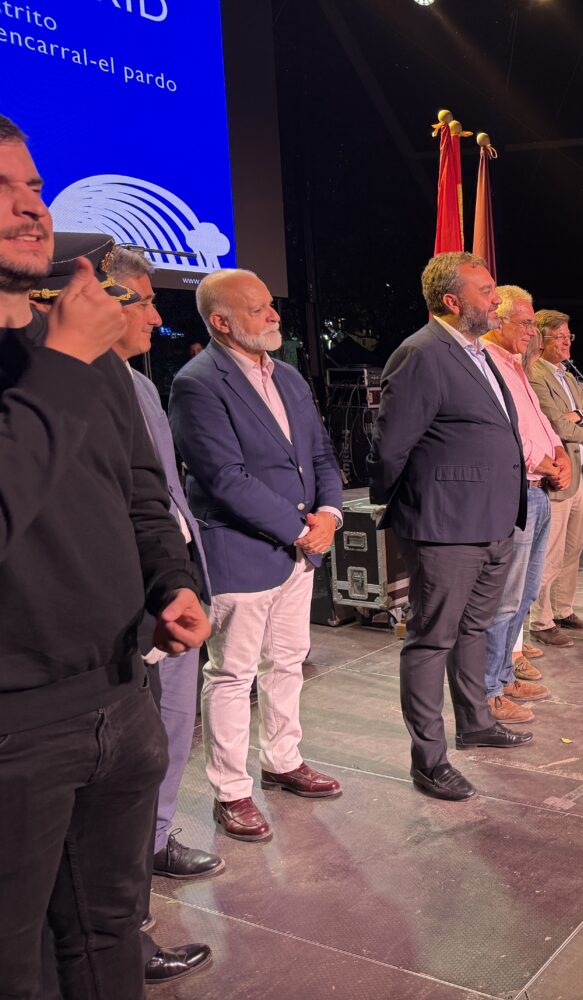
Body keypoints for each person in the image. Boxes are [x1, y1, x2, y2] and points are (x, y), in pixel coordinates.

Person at [0, 117, 210, 998]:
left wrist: (173, 582)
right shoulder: (68, 357)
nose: (32, 209)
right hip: (15, 728)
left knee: (109, 934)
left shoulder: (89, 362)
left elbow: (141, 496)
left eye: (34, 188)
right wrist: (61, 361)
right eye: (2, 191)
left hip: (121, 702)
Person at [170, 268, 345, 841]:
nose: (273, 316)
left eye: (271, 305)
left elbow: (320, 454)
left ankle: (282, 760)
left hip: (299, 549)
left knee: (289, 660)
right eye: (258, 309)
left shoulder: (288, 376)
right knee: (232, 674)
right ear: (221, 322)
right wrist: (300, 530)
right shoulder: (198, 382)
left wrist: (331, 514)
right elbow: (224, 477)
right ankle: (231, 791)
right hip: (241, 551)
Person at [368, 251, 534, 802]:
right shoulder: (421, 353)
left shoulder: (478, 353)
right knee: (431, 639)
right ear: (451, 301)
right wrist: (408, 507)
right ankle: (429, 761)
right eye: (486, 291)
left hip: (493, 521)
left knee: (473, 630)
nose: (496, 300)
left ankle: (476, 722)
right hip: (444, 526)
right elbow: (391, 446)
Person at [105, 244, 222, 983]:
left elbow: (159, 498)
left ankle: (150, 846)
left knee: (171, 737)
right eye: (143, 301)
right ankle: (120, 920)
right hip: (121, 607)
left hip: (172, 589)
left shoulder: (142, 387)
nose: (156, 316)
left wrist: (182, 580)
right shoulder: (61, 384)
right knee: (123, 764)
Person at [478, 286, 569, 724]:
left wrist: (560, 453)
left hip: (538, 489)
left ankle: (504, 674)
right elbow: (504, 431)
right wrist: (544, 461)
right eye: (527, 323)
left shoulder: (515, 364)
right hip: (517, 491)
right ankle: (489, 691)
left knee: (526, 593)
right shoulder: (486, 363)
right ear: (498, 319)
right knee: (506, 599)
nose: (534, 332)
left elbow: (539, 423)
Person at [527, 308, 583, 648]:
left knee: (573, 548)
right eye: (559, 337)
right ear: (540, 339)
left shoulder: (567, 376)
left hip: (580, 475)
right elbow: (556, 424)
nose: (566, 342)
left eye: (568, 336)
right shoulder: (535, 374)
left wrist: (579, 418)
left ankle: (563, 609)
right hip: (558, 475)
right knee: (551, 551)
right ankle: (540, 620)